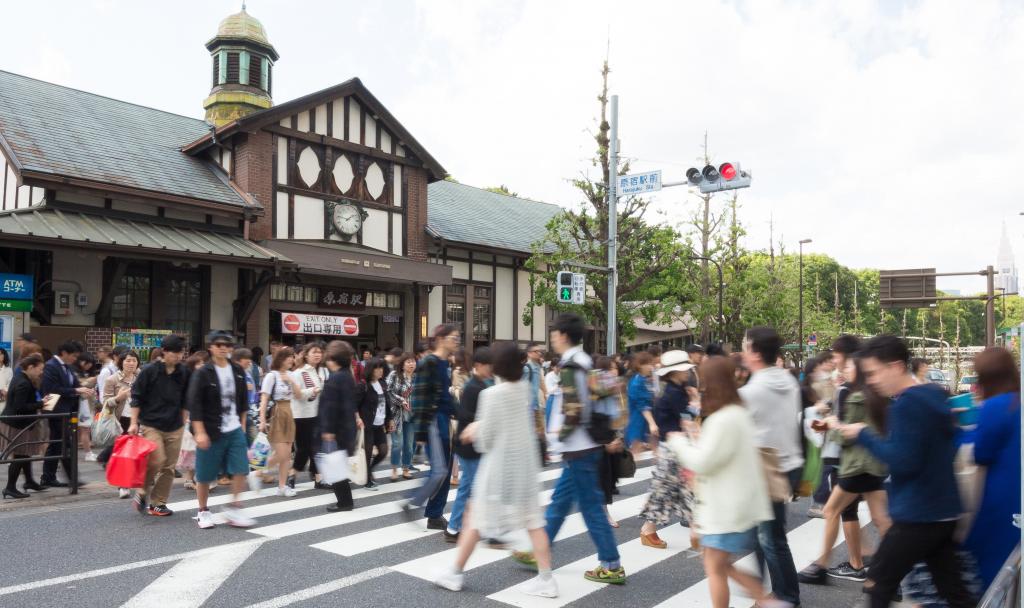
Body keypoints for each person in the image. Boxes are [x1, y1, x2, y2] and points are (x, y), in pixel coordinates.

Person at [838, 334, 974, 608]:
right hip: (944, 512)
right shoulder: (934, 394)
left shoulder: (907, 405)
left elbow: (902, 462)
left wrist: (863, 433)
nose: (872, 381)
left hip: (917, 516)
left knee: (878, 583)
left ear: (897, 366)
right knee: (954, 592)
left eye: (874, 373)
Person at [434, 342, 557, 598]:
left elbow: (485, 440)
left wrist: (473, 430)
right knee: (534, 523)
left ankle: (455, 572)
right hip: (524, 468)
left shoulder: (491, 395)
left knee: (474, 519)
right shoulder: (524, 389)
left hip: (499, 469)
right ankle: (546, 578)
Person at [513, 313, 626, 585]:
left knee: (591, 509)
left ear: (563, 335)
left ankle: (611, 564)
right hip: (585, 447)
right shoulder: (585, 361)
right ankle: (539, 549)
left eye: (553, 334)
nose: (552, 338)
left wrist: (557, 439)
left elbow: (573, 412)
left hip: (579, 448)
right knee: (560, 502)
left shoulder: (571, 366)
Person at [666, 356, 787, 608]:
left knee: (715, 566)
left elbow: (703, 462)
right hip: (732, 503)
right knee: (716, 563)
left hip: (726, 507)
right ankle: (768, 602)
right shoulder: (735, 412)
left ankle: (769, 602)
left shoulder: (724, 418)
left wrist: (678, 442)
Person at [800, 356, 892, 584]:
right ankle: (890, 576)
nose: (843, 369)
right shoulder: (878, 395)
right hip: (876, 464)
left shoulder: (853, 396)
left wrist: (829, 423)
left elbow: (844, 436)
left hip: (856, 465)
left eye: (848, 366)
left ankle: (822, 567)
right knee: (881, 519)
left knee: (831, 511)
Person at [739, 327, 802, 607]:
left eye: (744, 346)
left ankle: (785, 596)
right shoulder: (789, 382)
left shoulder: (751, 391)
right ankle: (768, 593)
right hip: (789, 463)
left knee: (769, 537)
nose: (742, 351)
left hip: (764, 468)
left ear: (754, 352)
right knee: (763, 535)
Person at [962, 347, 1020, 593]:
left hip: (1000, 498)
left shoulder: (995, 407)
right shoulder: (1017, 401)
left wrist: (958, 429)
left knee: (995, 574)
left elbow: (980, 453)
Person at [187, 331, 255, 529]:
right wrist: (199, 432)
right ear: (211, 347)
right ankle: (203, 511)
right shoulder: (203, 373)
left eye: (227, 344)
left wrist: (242, 425)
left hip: (234, 428)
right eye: (218, 344)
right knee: (205, 474)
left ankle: (234, 507)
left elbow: (242, 401)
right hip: (210, 429)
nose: (223, 347)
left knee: (241, 468)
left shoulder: (237, 370)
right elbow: (195, 404)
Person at [404, 324, 460, 530]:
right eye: (453, 338)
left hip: (445, 421)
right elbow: (419, 397)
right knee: (439, 470)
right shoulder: (428, 362)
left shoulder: (446, 363)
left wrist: (460, 411)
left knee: (444, 470)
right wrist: (421, 431)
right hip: (433, 421)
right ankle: (413, 502)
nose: (456, 341)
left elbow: (445, 394)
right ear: (441, 339)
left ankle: (435, 514)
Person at [639, 350, 697, 548]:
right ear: (675, 373)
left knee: (677, 490)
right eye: (684, 370)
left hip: (672, 447)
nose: (687, 373)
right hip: (674, 448)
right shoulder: (674, 393)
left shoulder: (671, 389)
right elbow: (687, 418)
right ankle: (649, 530)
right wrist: (696, 403)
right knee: (669, 490)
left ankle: (696, 531)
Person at [129, 335, 189, 516]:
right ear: (164, 351)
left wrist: (184, 422)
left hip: (175, 425)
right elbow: (136, 397)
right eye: (175, 352)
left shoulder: (184, 372)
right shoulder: (149, 371)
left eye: (181, 352)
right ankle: (142, 489)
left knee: (169, 467)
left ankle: (158, 503)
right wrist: (133, 423)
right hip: (151, 424)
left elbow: (187, 399)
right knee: (157, 459)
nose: (179, 356)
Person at [444, 346, 494, 542]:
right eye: (488, 366)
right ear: (478, 365)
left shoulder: (480, 384)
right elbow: (466, 415)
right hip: (470, 446)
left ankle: (455, 528)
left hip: (469, 445)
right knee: (474, 488)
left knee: (468, 487)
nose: (491, 369)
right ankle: (458, 528)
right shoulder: (475, 387)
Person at [40, 340, 93, 488]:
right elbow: (52, 389)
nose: (75, 359)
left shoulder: (66, 367)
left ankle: (49, 477)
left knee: (57, 444)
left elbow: (74, 384)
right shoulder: (51, 366)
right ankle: (72, 478)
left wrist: (83, 390)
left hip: (66, 411)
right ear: (64, 353)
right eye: (73, 356)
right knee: (64, 444)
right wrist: (76, 391)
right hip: (56, 410)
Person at [0, 354, 49, 498]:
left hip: (16, 423)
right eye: (40, 369)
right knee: (20, 455)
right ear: (30, 367)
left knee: (25, 453)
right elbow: (19, 407)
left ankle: (29, 481)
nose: (41, 372)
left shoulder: (21, 377)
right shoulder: (24, 382)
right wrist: (41, 404)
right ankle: (10, 487)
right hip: (17, 425)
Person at [258, 347, 304, 497]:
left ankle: (282, 486)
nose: (292, 359)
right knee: (282, 453)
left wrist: (291, 381)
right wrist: (262, 419)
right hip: (277, 412)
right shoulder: (272, 376)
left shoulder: (291, 375)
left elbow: (298, 396)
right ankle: (258, 472)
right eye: (289, 357)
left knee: (287, 454)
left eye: (292, 357)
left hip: (290, 412)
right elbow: (264, 399)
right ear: (281, 359)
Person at [319, 340, 359, 513]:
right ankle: (345, 501)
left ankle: (344, 502)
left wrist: (328, 430)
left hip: (337, 430)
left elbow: (330, 407)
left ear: (333, 358)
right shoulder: (347, 375)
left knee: (334, 466)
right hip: (347, 427)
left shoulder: (335, 378)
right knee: (338, 465)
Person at [101, 350, 141, 498]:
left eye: (134, 361)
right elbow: (105, 403)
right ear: (121, 362)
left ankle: (136, 482)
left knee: (137, 454)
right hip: (121, 421)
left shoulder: (141, 378)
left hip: (139, 420)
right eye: (128, 360)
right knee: (124, 455)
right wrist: (119, 397)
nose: (131, 363)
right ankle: (123, 485)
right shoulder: (112, 380)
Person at [292, 342, 329, 489]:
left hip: (316, 414)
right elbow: (297, 395)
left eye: (319, 352)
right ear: (306, 355)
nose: (318, 354)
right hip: (301, 416)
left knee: (316, 447)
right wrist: (314, 390)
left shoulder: (317, 371)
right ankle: (291, 474)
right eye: (314, 352)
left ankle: (318, 478)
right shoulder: (299, 373)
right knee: (304, 449)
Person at [358, 357, 392, 490]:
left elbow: (387, 404)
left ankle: (369, 470)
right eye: (377, 368)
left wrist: (390, 419)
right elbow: (355, 405)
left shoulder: (383, 384)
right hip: (367, 425)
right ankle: (367, 480)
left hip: (380, 424)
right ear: (370, 370)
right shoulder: (363, 385)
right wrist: (357, 418)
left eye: (382, 367)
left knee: (383, 451)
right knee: (367, 453)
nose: (380, 371)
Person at [387, 353, 417, 481]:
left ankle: (405, 468)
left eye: (413, 361)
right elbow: (388, 391)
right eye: (408, 362)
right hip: (396, 415)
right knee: (397, 444)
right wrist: (401, 401)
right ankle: (394, 469)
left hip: (412, 416)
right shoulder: (394, 375)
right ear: (402, 364)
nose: (411, 364)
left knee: (409, 445)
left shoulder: (417, 377)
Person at [625, 352, 657, 454]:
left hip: (643, 423)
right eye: (649, 364)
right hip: (638, 424)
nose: (651, 367)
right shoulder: (637, 382)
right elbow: (643, 406)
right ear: (640, 365)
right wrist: (652, 423)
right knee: (638, 456)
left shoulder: (643, 380)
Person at [524, 344, 547, 464]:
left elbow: (540, 384)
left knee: (540, 431)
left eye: (540, 351)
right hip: (529, 406)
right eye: (536, 351)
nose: (539, 353)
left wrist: (545, 394)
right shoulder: (527, 368)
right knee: (533, 433)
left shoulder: (538, 367)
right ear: (529, 353)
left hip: (536, 405)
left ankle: (542, 458)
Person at [74, 353, 98, 462]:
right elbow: (79, 385)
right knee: (85, 429)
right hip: (82, 405)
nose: (88, 366)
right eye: (87, 363)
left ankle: (87, 452)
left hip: (87, 404)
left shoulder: (85, 372)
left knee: (84, 430)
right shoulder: (75, 372)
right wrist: (91, 380)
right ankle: (88, 453)